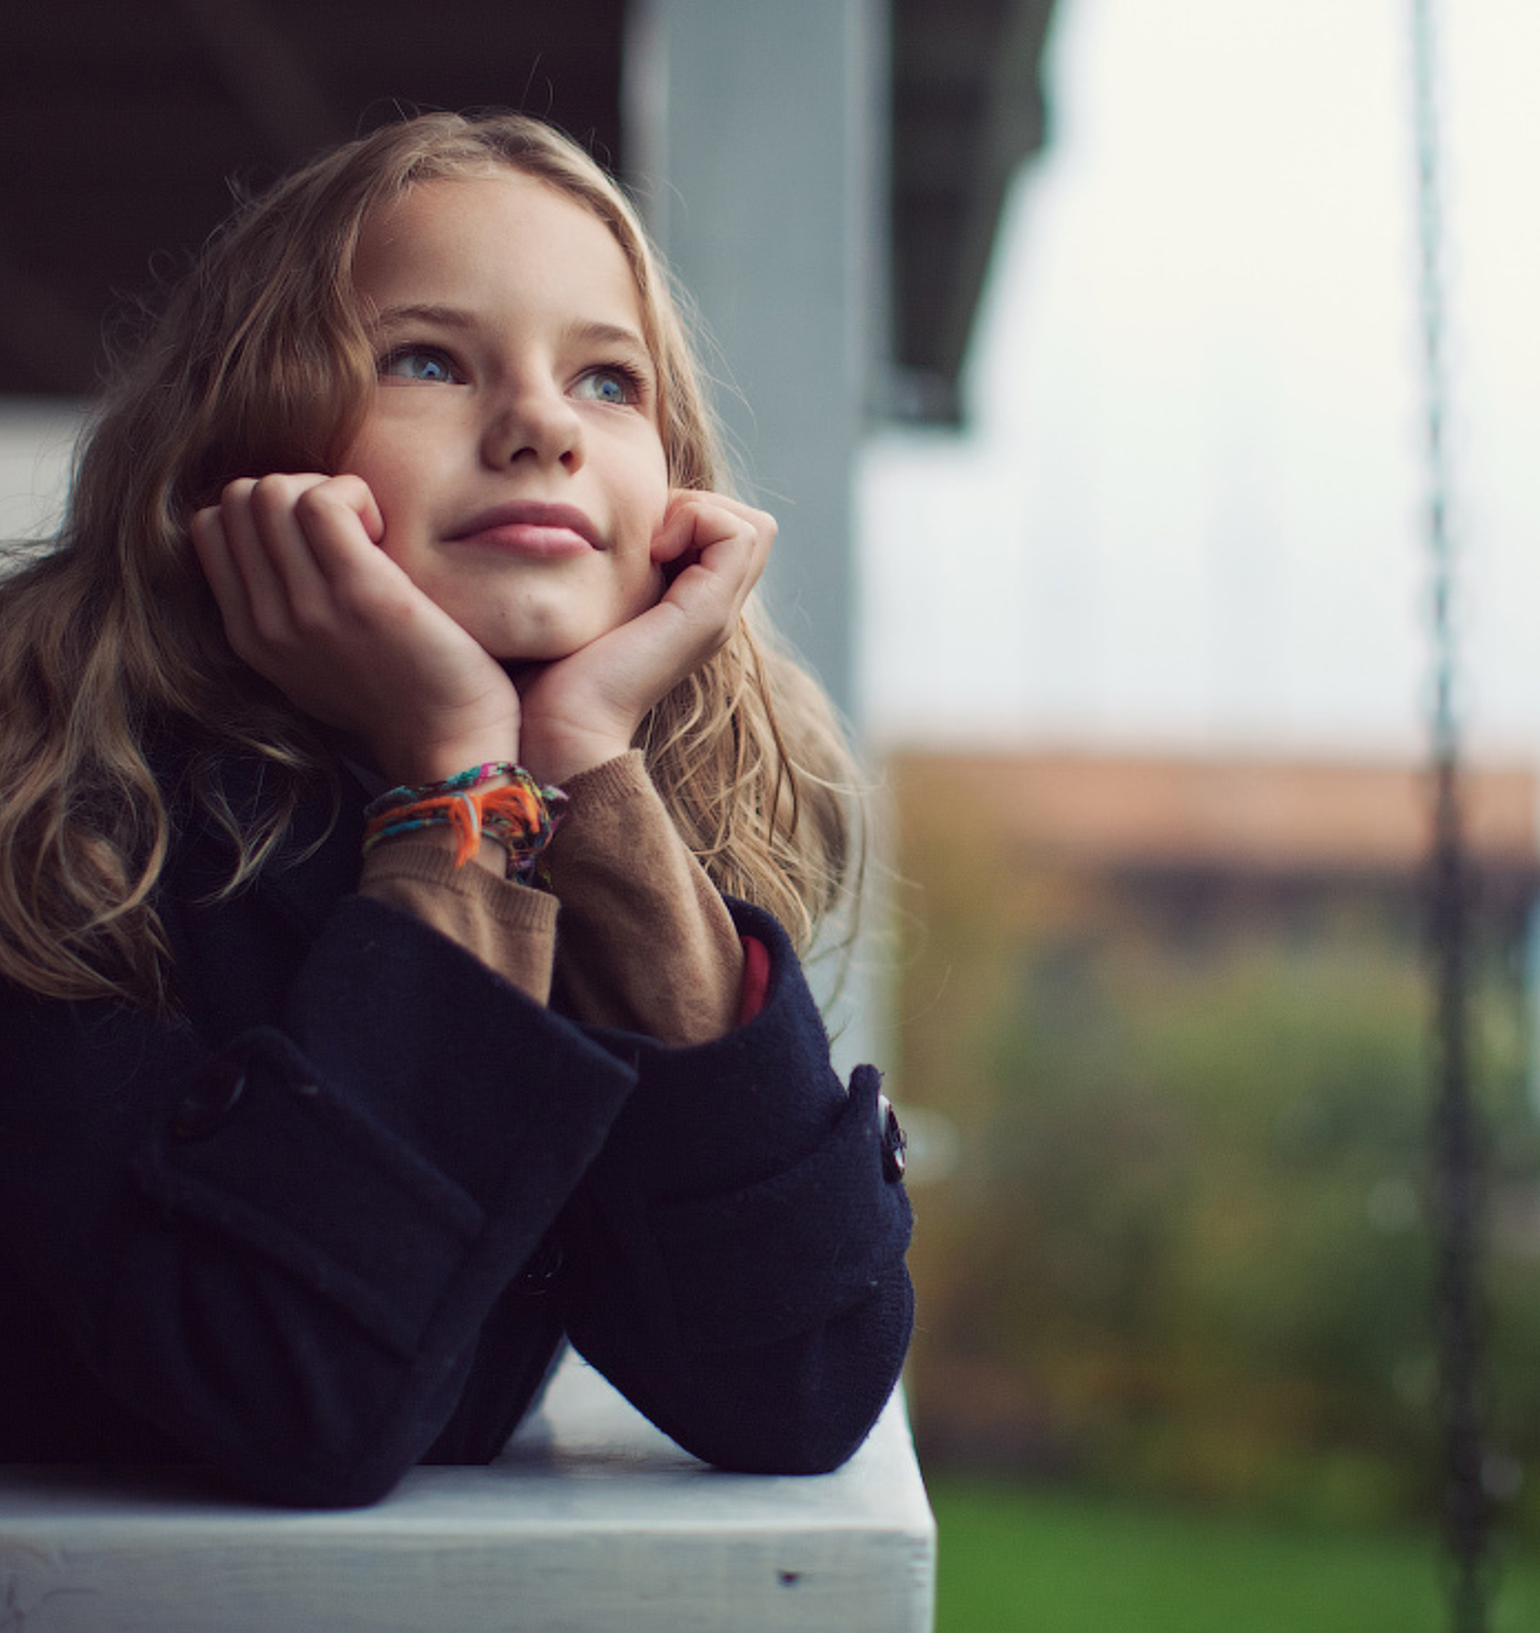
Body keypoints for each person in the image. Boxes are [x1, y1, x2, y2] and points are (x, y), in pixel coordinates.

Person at [0, 112, 912, 1507]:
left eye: (608, 381)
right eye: (428, 360)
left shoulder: (611, 796)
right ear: (242, 449)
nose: (543, 423)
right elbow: (286, 1389)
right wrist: (457, 793)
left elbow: (797, 1382)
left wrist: (588, 783)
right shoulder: (52, 819)